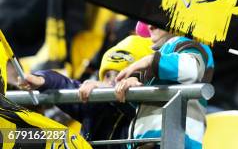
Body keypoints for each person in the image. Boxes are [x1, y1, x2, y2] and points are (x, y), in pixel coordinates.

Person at [17, 35, 153, 147]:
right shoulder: (95, 105)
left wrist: (111, 92)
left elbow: (135, 112)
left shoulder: (150, 110)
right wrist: (42, 80)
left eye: (121, 76)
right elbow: (66, 85)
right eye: (107, 76)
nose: (111, 83)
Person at [113, 24, 214, 149]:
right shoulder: (161, 53)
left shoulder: (192, 44)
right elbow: (150, 104)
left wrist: (150, 60)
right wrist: (133, 89)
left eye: (159, 17)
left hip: (173, 141)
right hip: (152, 141)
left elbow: (191, 69)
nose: (150, 26)